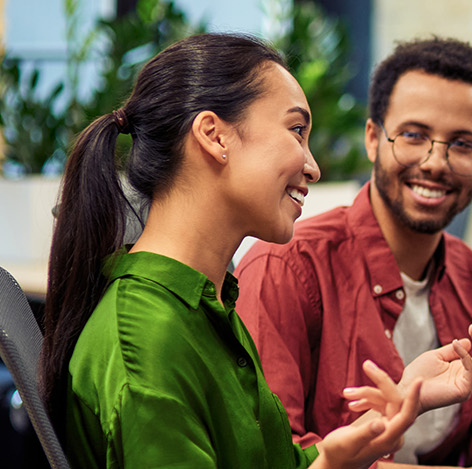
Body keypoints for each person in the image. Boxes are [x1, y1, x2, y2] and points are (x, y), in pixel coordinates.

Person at [39, 33, 436, 468]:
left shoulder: (208, 306)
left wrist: (368, 432)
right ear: (214, 135)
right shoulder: (147, 338)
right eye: (296, 130)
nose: (313, 166)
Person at [234, 37, 472, 468]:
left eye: (463, 144)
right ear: (372, 138)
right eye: (413, 135)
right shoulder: (287, 266)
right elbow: (280, 453)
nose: (435, 162)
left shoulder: (470, 273)